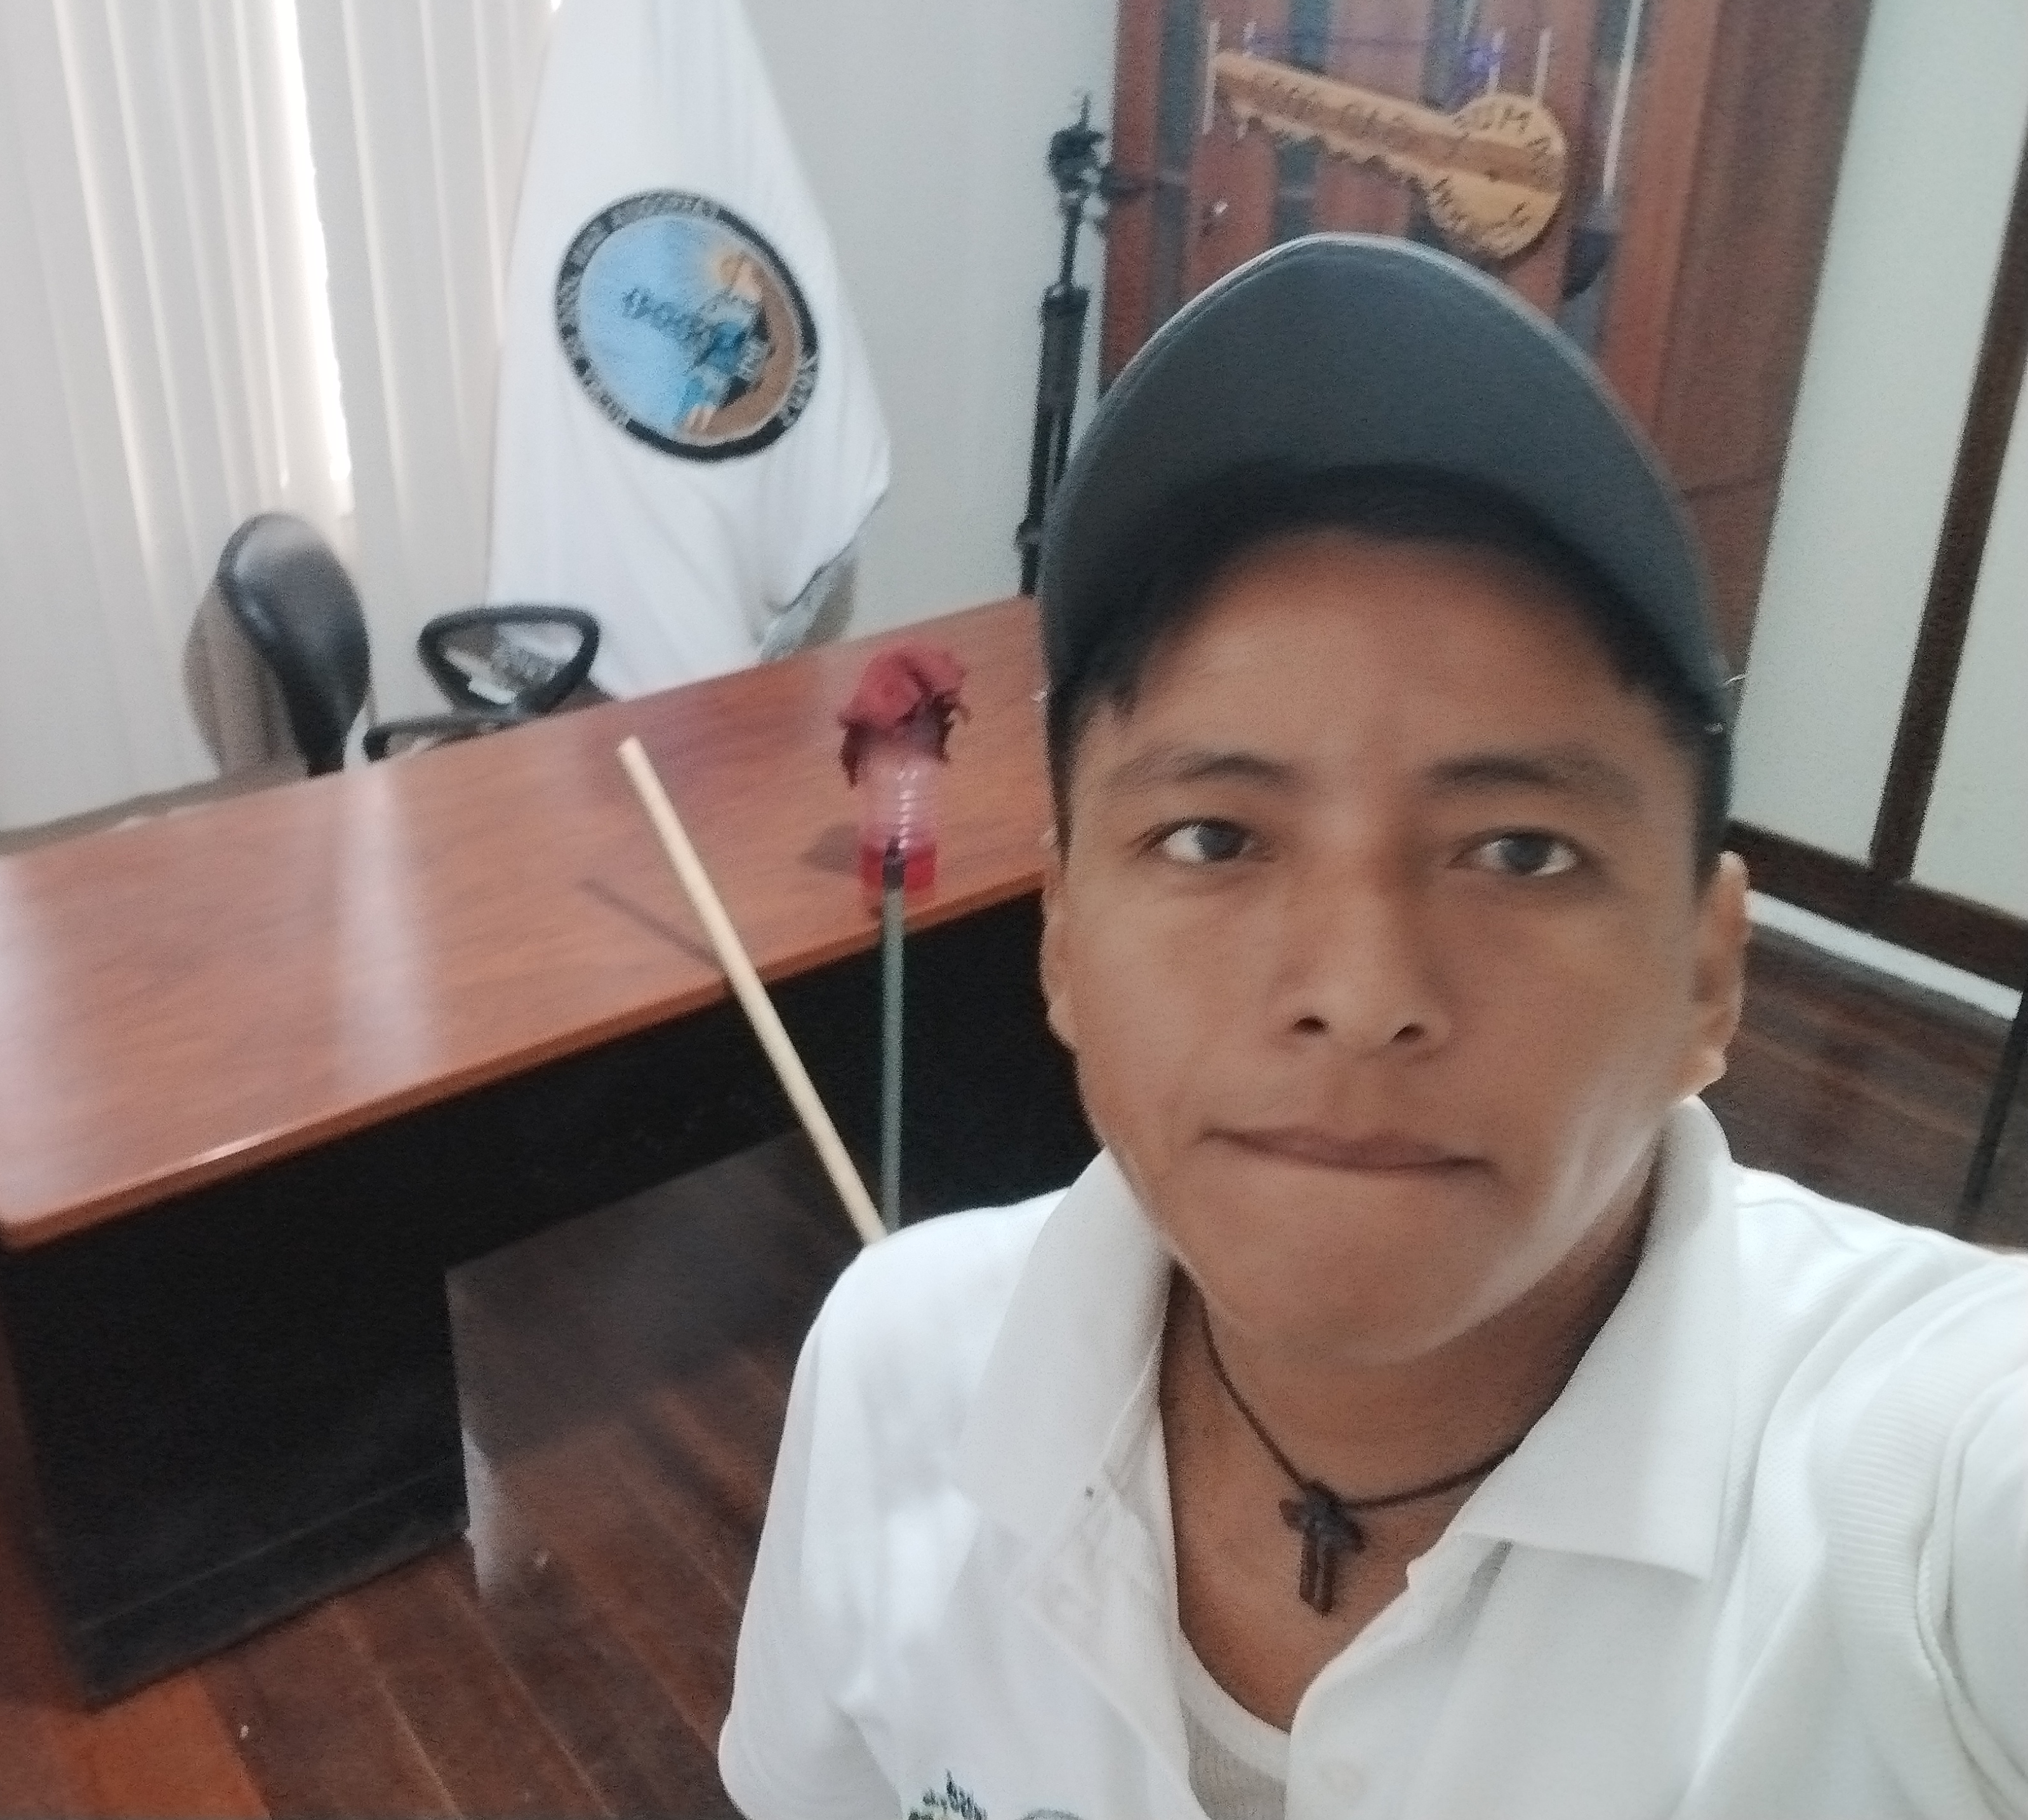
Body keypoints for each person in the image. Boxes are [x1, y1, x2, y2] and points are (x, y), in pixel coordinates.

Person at [717, 236, 2026, 1820]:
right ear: (1061, 939)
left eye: (1519, 851)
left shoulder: (1921, 1494)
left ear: (1706, 974)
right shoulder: (897, 1365)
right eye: (1212, 837)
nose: (1357, 989)